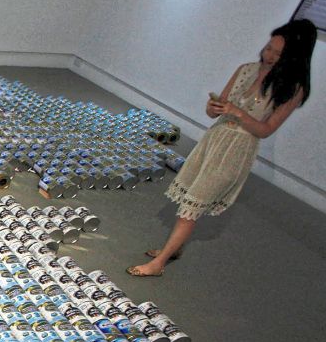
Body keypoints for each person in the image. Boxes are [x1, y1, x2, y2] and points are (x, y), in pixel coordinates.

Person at [128, 19, 315, 277]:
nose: (268, 55)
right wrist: (214, 108)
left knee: (194, 204)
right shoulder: (246, 69)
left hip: (237, 149)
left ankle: (159, 264)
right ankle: (174, 248)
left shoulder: (293, 89)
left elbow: (266, 130)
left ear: (293, 58)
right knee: (189, 195)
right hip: (214, 140)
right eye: (268, 47)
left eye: (277, 53)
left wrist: (237, 113)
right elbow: (215, 110)